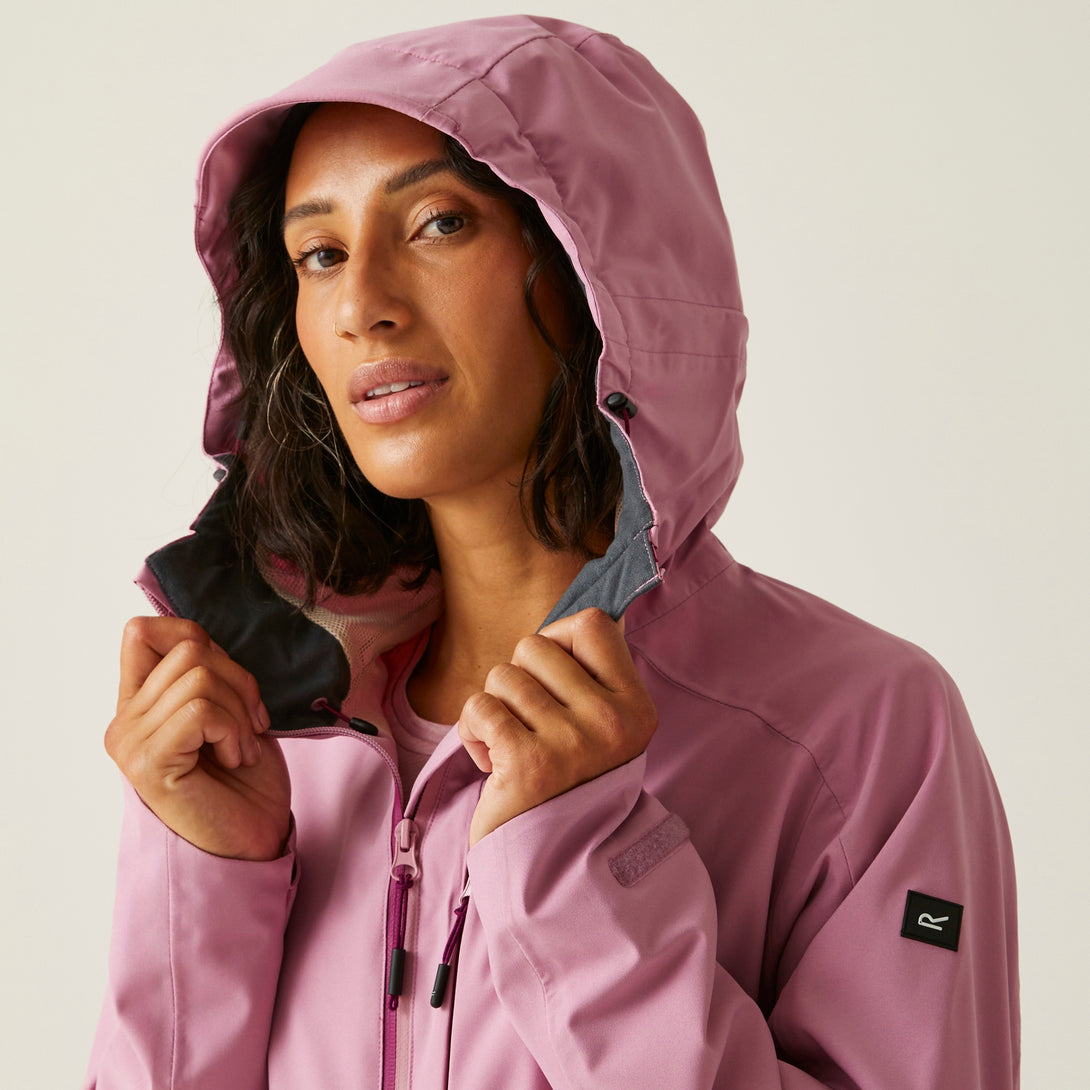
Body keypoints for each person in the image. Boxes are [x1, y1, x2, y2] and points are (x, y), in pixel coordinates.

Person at [84, 14, 1019, 1089]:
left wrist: (581, 868)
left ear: (594, 270)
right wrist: (205, 878)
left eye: (438, 223)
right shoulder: (267, 724)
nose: (361, 306)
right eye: (321, 254)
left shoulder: (859, 729)